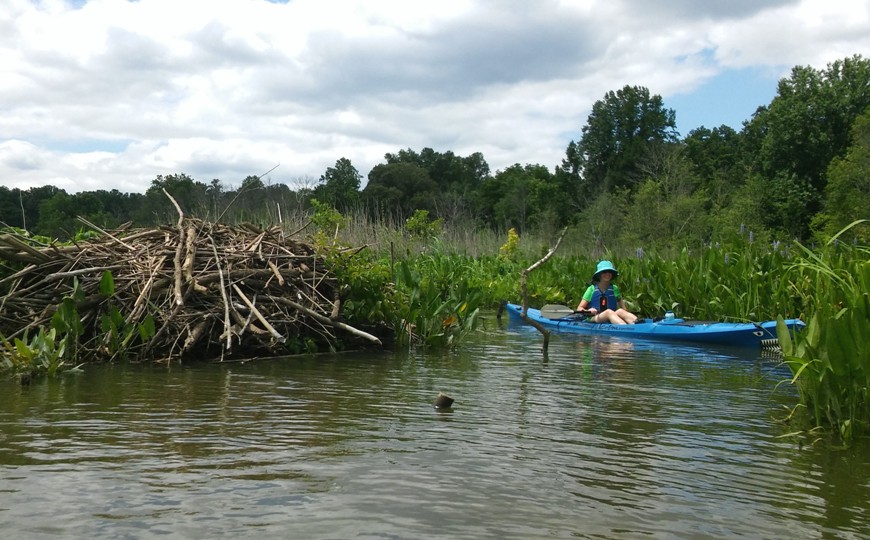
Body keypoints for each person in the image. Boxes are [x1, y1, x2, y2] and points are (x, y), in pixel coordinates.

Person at [576, 260, 638, 325]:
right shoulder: (591, 289)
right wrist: (588, 311)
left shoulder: (615, 288)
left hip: (611, 315)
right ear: (599, 274)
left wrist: (624, 313)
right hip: (594, 317)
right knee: (608, 312)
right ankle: (624, 327)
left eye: (610, 272)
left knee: (620, 311)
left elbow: (623, 307)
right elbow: (579, 308)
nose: (607, 274)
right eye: (604, 272)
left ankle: (637, 323)